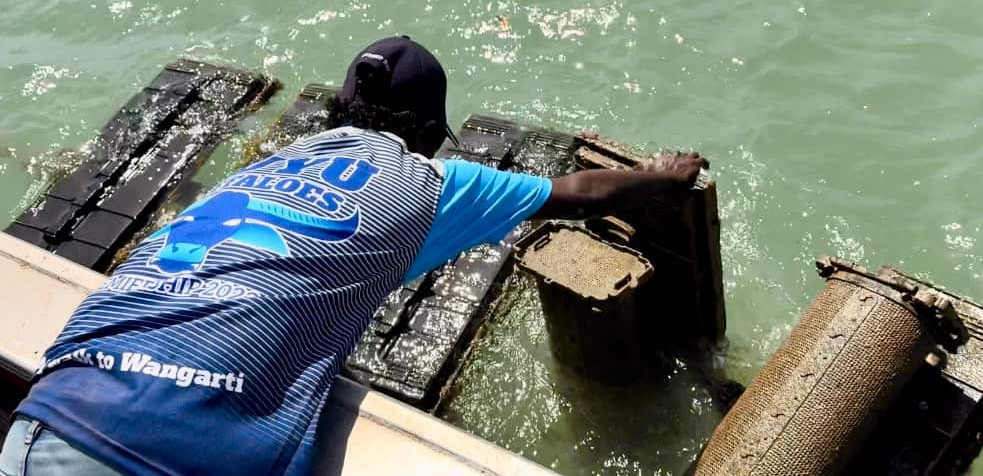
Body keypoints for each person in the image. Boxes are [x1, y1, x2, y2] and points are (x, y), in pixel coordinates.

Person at [0, 36, 708, 476]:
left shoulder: (267, 166)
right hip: (183, 451)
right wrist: (663, 177)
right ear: (432, 133)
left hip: (45, 417)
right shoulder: (434, 181)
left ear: (336, 112)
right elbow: (579, 191)